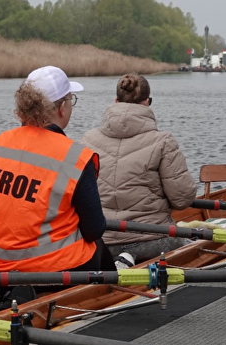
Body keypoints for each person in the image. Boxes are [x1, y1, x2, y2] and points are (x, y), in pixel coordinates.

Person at [0, 66, 113, 283]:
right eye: (71, 100)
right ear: (62, 107)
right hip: (49, 270)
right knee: (98, 247)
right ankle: (111, 299)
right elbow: (93, 230)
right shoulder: (76, 158)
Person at [80, 73, 197, 268]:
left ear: (116, 101)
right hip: (152, 241)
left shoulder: (87, 140)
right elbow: (182, 199)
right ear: (147, 102)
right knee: (185, 240)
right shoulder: (163, 141)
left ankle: (121, 261)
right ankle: (128, 257)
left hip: (100, 242)